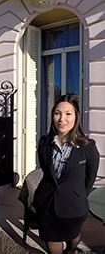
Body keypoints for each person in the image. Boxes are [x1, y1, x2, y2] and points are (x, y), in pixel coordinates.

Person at [33, 94, 99, 254]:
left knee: (73, 237)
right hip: (47, 204)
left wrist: (78, 195)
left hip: (74, 206)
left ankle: (71, 249)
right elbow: (46, 172)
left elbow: (90, 178)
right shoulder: (44, 143)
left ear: (76, 116)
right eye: (57, 113)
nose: (62, 119)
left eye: (68, 114)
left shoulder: (88, 146)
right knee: (52, 240)